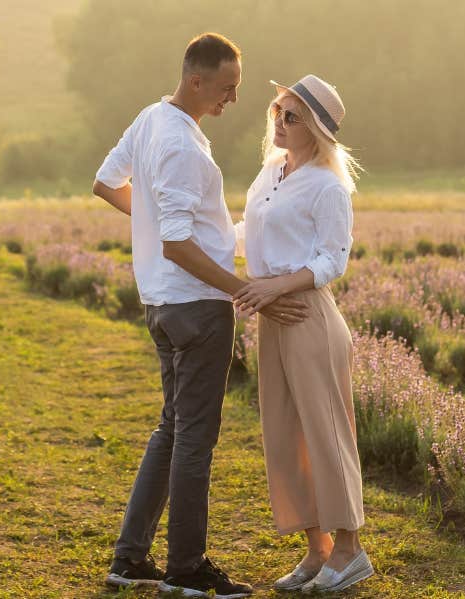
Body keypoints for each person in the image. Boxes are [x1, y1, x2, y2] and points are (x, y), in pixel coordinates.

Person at [92, 33, 308, 598]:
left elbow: (105, 182)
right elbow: (178, 242)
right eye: (227, 87)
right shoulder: (184, 147)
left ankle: (130, 557)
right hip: (196, 305)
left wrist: (152, 218)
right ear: (196, 80)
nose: (233, 99)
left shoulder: (150, 119)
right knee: (194, 439)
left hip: (161, 302)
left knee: (171, 429)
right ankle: (185, 568)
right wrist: (241, 289)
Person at [232, 74, 372, 593]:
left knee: (327, 433)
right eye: (277, 112)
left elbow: (332, 260)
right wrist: (197, 244)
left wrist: (274, 288)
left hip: (309, 316)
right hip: (272, 318)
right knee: (286, 435)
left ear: (316, 129)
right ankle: (317, 549)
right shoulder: (271, 172)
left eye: (292, 117)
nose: (280, 123)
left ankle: (351, 550)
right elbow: (249, 232)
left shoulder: (328, 185)